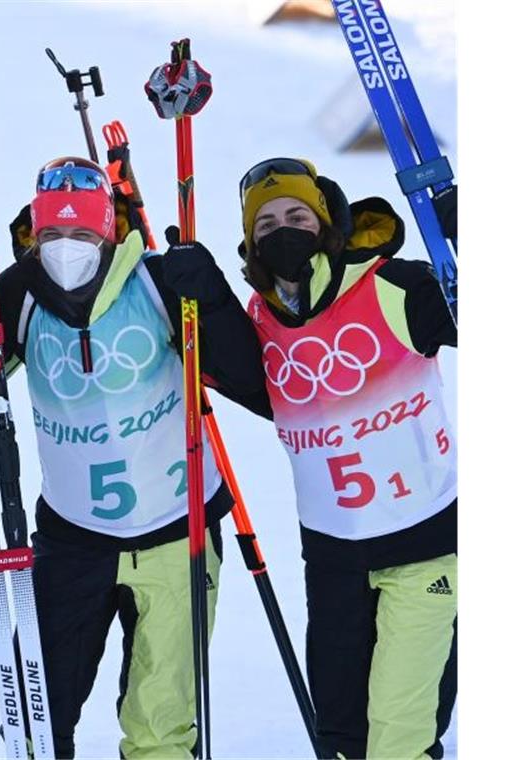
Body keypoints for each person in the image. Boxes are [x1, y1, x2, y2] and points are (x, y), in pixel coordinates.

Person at [0, 156, 265, 758]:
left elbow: (255, 386)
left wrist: (212, 299)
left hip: (176, 534)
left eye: (82, 234)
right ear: (35, 234)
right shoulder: (19, 294)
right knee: (38, 715)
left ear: (108, 232)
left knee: (162, 724)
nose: (66, 248)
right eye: (53, 234)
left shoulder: (155, 283)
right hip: (73, 540)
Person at [161, 157, 457, 758]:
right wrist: (208, 299)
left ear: (328, 223)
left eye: (297, 215)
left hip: (425, 547)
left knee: (399, 739)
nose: (283, 231)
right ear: (251, 244)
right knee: (342, 735)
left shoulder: (393, 286)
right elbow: (261, 389)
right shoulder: (262, 318)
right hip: (332, 558)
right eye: (265, 226)